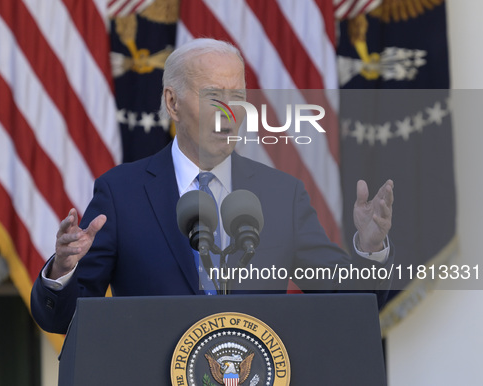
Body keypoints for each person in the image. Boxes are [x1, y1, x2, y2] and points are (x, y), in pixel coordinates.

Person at [31, 38, 394, 334]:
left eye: (237, 97)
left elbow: (351, 300)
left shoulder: (281, 194)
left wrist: (371, 249)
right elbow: (62, 318)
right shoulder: (121, 193)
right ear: (173, 103)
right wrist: (63, 270)